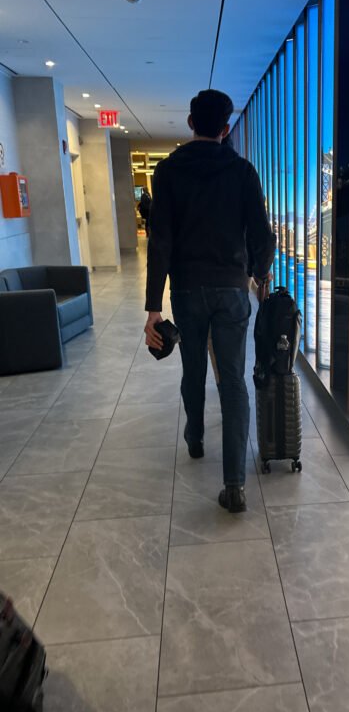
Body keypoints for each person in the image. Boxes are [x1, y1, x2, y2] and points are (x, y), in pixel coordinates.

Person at [144, 89, 275, 513]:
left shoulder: (167, 172)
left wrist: (152, 308)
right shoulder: (242, 171)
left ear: (188, 123)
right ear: (225, 128)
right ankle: (235, 485)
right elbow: (263, 235)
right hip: (232, 289)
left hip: (186, 289)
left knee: (193, 368)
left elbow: (159, 242)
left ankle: (196, 438)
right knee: (233, 380)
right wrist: (259, 274)